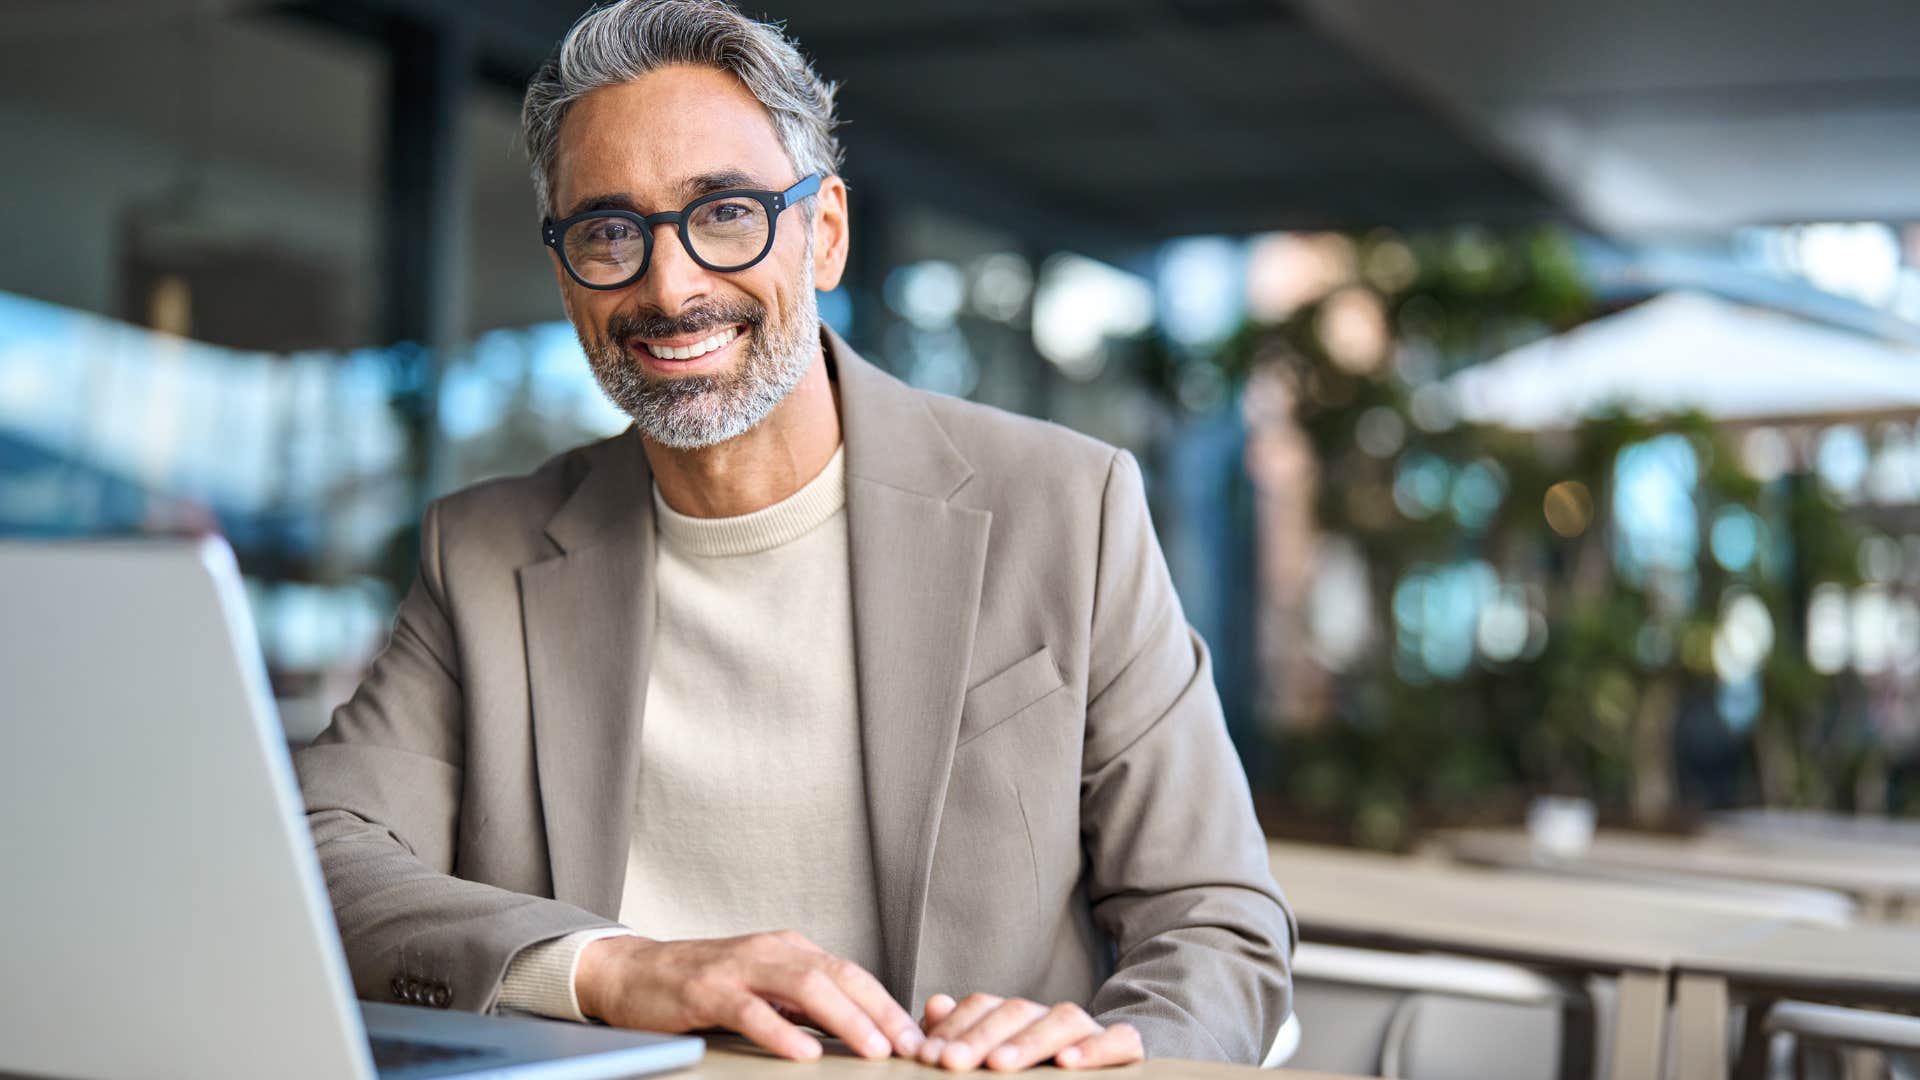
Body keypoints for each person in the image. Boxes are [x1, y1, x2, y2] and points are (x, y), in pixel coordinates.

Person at [293, 0, 1294, 1070]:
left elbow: (1216, 924)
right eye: (608, 232)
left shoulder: (1067, 508)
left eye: (724, 213)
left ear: (825, 235)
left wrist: (1109, 1044)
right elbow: (312, 853)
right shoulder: (483, 554)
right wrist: (614, 968)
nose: (669, 286)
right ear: (567, 274)